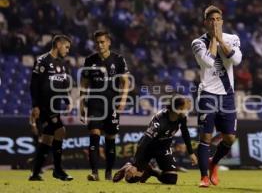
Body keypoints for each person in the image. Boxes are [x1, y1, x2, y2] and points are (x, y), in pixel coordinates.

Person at [191, 5, 242, 187]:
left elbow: (236, 60)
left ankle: (213, 163)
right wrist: (214, 39)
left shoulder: (232, 38)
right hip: (207, 94)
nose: (214, 23)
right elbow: (208, 62)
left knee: (230, 138)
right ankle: (204, 177)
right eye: (211, 20)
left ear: (222, 21)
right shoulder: (197, 43)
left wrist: (220, 39)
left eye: (217, 19)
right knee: (205, 137)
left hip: (227, 95)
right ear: (205, 22)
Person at [112, 96, 198, 185]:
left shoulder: (182, 117)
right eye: (185, 108)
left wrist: (191, 153)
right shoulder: (160, 120)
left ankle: (151, 171)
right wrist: (135, 164)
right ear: (177, 108)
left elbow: (185, 134)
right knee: (131, 179)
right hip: (148, 148)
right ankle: (128, 167)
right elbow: (143, 143)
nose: (187, 111)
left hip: (163, 148)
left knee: (171, 179)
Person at [80, 30, 130, 181]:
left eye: (102, 42)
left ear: (109, 42)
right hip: (95, 104)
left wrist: (123, 100)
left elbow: (125, 82)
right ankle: (94, 173)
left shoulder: (119, 60)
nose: (99, 45)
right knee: (94, 135)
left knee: (110, 139)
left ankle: (108, 173)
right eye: (97, 42)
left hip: (112, 104)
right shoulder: (90, 60)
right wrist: (81, 104)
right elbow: (84, 84)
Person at [29, 35, 73, 181]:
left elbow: (62, 86)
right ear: (58, 44)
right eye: (66, 47)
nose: (67, 50)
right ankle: (58, 170)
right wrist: (35, 105)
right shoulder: (42, 60)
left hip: (56, 106)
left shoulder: (61, 64)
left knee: (47, 139)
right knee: (60, 131)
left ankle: (35, 173)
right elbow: (34, 85)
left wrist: (67, 100)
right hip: (45, 106)